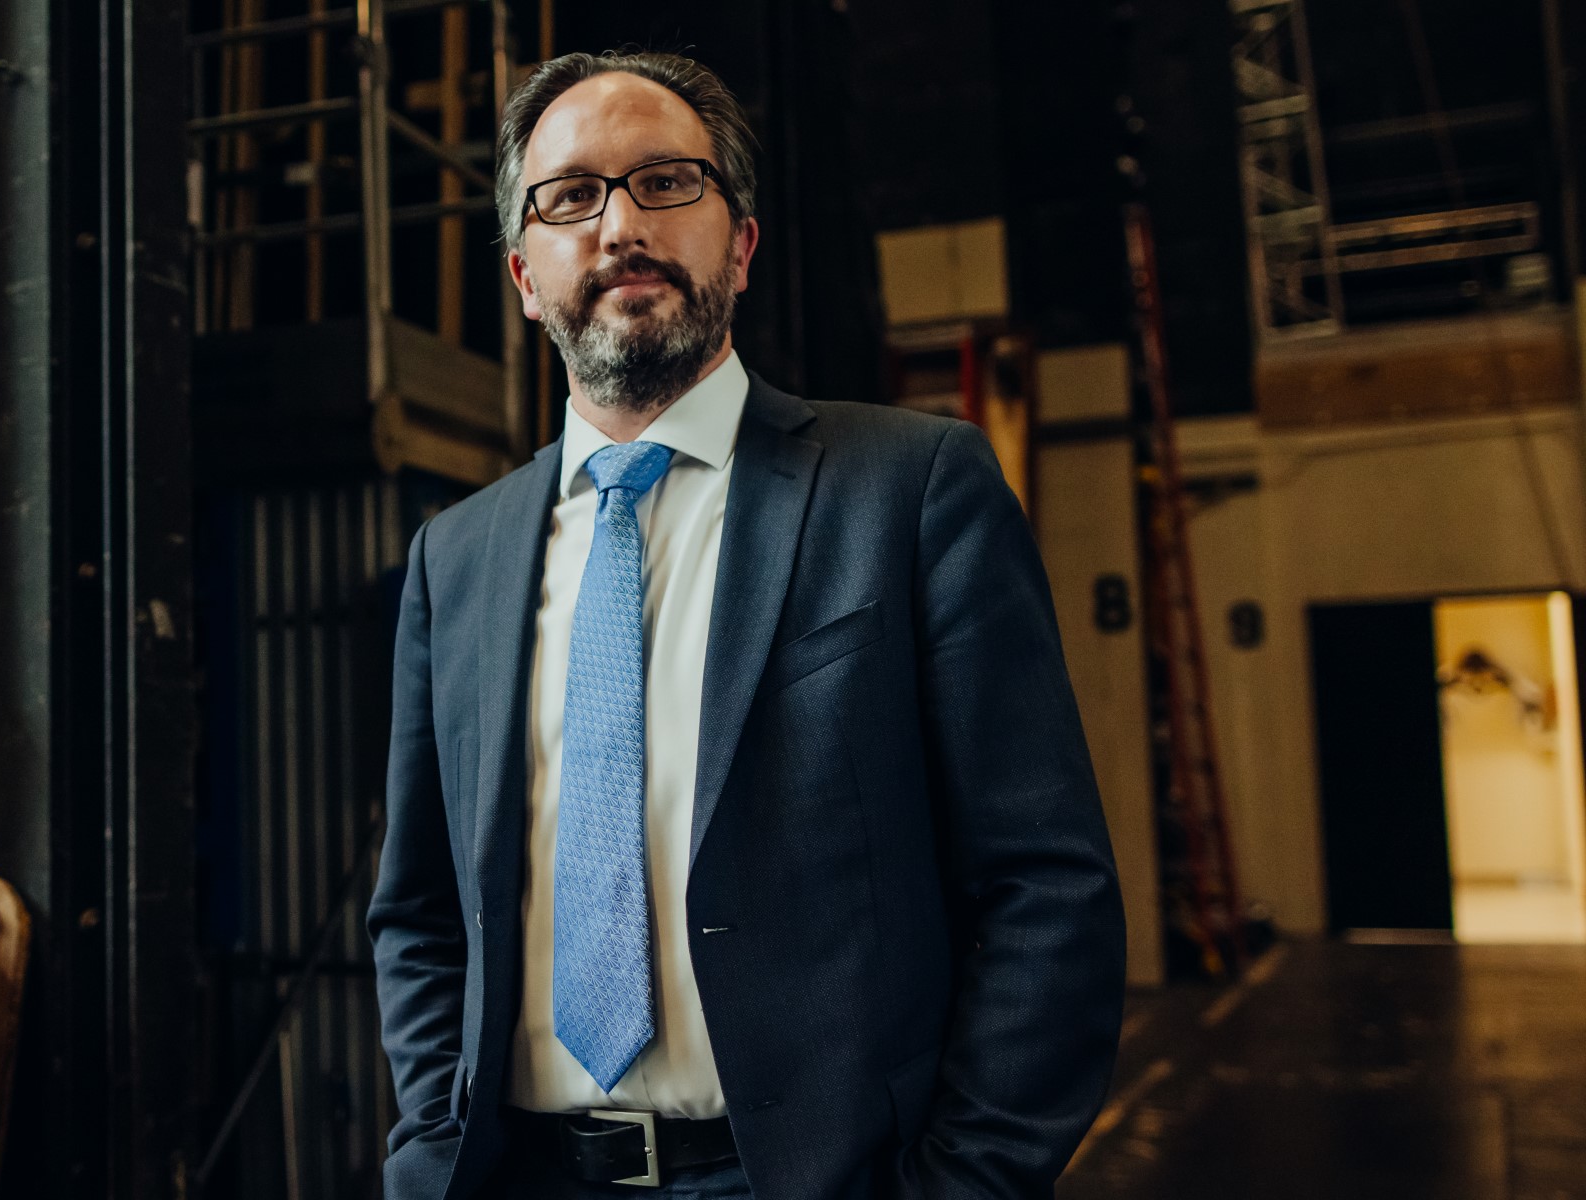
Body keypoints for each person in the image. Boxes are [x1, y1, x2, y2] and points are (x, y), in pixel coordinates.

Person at [368, 49, 1125, 1200]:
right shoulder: (455, 558)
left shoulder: (912, 490)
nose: (620, 222)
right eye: (571, 195)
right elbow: (420, 910)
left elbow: (1045, 888)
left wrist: (964, 1182)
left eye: (666, 182)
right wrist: (431, 1145)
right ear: (525, 274)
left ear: (742, 242)